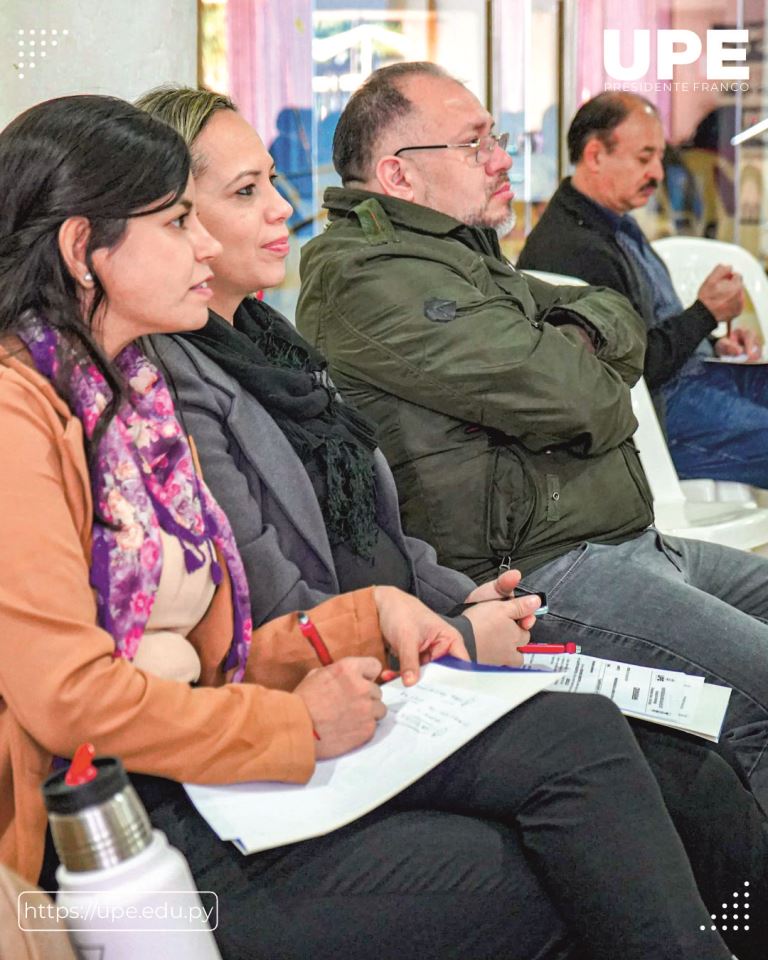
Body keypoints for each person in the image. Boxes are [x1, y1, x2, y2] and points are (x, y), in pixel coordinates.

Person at [1, 94, 753, 960]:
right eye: (180, 219)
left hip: (225, 748)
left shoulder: (131, 397)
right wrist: (306, 713)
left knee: (606, 750)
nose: (210, 239)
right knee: (536, 868)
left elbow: (226, 641)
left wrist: (373, 616)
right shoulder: (33, 412)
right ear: (79, 250)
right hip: (128, 816)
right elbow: (73, 699)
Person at [295, 61, 768, 811]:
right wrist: (580, 358)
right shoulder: (366, 277)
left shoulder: (461, 253)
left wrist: (572, 338)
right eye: (475, 142)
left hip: (623, 539)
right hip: (542, 573)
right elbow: (582, 396)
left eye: (497, 137)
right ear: (400, 175)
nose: (503, 157)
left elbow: (617, 320)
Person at [135, 85, 540, 667]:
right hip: (348, 671)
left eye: (272, 180)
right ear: (172, 217)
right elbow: (270, 604)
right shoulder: (172, 380)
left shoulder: (276, 344)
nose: (282, 206)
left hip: (410, 628)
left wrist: (460, 600)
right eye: (247, 191)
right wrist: (457, 634)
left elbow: (376, 539)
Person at [518, 92, 768, 487]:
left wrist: (714, 341)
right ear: (596, 155)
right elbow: (628, 370)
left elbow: (650, 327)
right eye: (643, 158)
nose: (658, 172)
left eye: (658, 157)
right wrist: (704, 314)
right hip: (658, 417)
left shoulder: (611, 221)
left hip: (689, 383)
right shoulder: (574, 249)